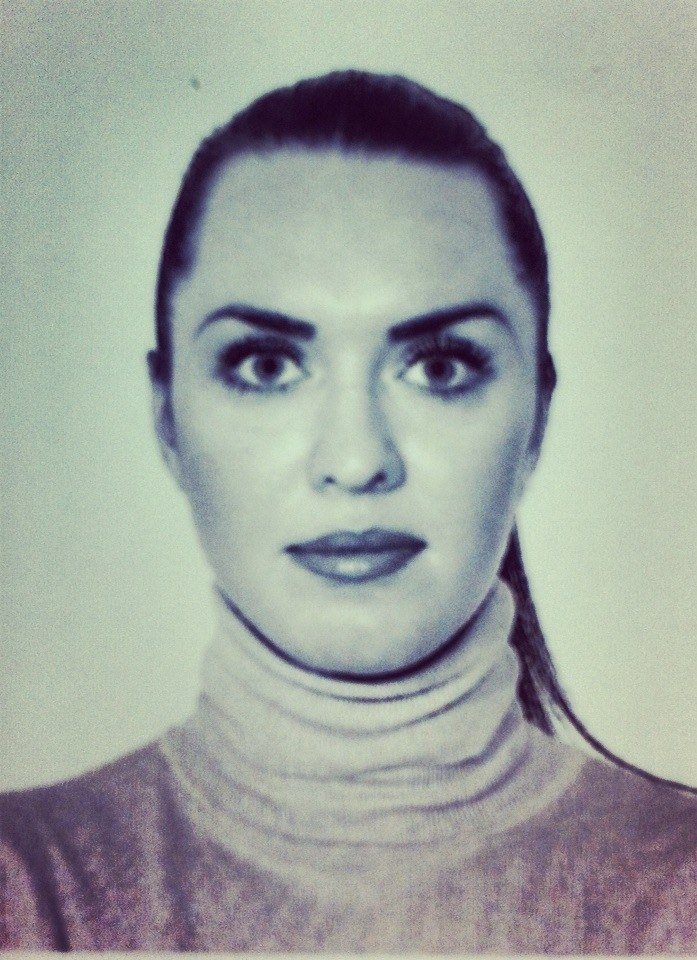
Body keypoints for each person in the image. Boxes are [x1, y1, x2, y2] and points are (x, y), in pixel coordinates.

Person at [1, 70, 695, 953]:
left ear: (536, 421)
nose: (357, 459)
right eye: (265, 366)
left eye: (439, 366)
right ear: (167, 419)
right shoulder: (23, 889)